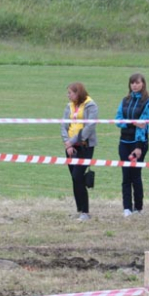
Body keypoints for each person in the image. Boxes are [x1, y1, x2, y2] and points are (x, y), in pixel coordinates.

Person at [115, 73, 149, 217]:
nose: (135, 85)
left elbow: (143, 125)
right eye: (132, 83)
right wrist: (131, 122)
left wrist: (138, 146)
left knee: (135, 176)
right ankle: (127, 207)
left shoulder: (148, 102)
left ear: (143, 84)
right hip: (123, 142)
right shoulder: (125, 100)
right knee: (125, 176)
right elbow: (118, 120)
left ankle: (138, 207)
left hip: (139, 143)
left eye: (138, 82)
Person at [61, 82, 98, 221]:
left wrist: (73, 140)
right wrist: (67, 143)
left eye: (70, 92)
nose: (68, 95)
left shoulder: (91, 105)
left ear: (78, 93)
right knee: (74, 178)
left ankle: (86, 211)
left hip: (85, 146)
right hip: (70, 147)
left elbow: (90, 126)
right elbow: (63, 125)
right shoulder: (68, 106)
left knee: (78, 176)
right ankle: (80, 209)